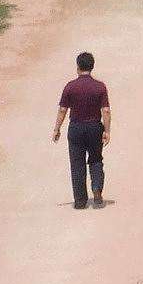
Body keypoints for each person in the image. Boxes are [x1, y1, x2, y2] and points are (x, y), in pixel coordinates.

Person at [54, 49, 111, 209]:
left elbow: (62, 110)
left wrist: (57, 129)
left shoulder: (70, 87)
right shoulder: (100, 87)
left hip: (76, 128)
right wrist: (107, 131)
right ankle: (97, 188)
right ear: (92, 67)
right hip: (94, 127)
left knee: (77, 163)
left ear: (78, 67)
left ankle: (80, 201)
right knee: (95, 159)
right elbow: (105, 110)